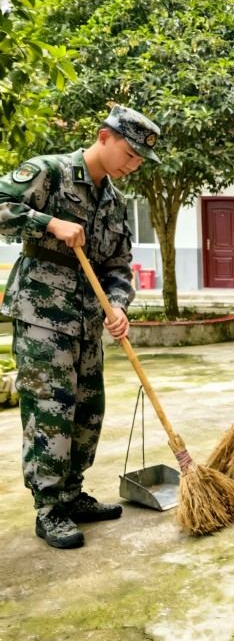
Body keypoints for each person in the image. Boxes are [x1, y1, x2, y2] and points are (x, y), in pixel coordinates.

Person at [0, 104, 161, 549]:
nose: (132, 165)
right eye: (129, 154)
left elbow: (116, 265)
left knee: (88, 411)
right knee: (51, 412)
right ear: (103, 137)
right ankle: (49, 507)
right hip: (42, 315)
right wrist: (48, 222)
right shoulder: (48, 173)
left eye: (139, 160)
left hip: (90, 318)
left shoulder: (114, 200)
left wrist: (120, 305)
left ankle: (72, 494)